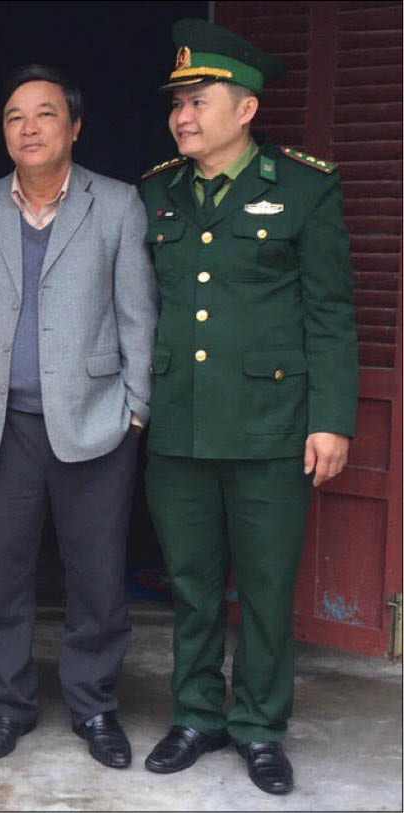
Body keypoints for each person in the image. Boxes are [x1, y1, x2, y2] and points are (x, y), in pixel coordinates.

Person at [139, 19, 358, 795]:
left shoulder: (303, 186)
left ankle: (260, 724)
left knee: (265, 588)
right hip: (180, 425)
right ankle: (196, 714)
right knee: (191, 584)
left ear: (245, 108)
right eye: (176, 103)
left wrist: (330, 418)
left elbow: (329, 311)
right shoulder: (156, 190)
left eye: (198, 101)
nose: (182, 116)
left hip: (270, 428)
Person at [0, 65, 157, 768]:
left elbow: (138, 314)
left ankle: (93, 705)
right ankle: (9, 704)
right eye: (14, 117)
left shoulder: (116, 203)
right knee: (2, 577)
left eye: (44, 114)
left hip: (96, 422)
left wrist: (137, 409)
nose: (28, 128)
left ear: (75, 127)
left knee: (97, 577)